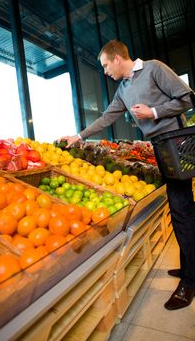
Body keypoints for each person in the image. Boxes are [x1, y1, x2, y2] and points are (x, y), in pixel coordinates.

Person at [59, 39, 195, 310]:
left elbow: (188, 98)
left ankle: (190, 282)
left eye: (106, 65)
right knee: (183, 209)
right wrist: (79, 135)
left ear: (118, 58)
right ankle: (190, 267)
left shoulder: (154, 69)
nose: (105, 71)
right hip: (160, 148)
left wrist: (153, 111)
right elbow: (107, 117)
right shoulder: (123, 90)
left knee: (182, 210)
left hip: (176, 144)